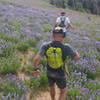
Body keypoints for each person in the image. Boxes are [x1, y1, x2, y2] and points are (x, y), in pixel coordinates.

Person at [33, 27, 80, 100]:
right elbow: (77, 58)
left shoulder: (46, 45)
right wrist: (75, 52)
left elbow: (36, 59)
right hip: (60, 73)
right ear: (63, 36)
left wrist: (36, 69)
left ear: (53, 35)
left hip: (49, 72)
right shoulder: (66, 47)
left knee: (51, 87)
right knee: (63, 92)